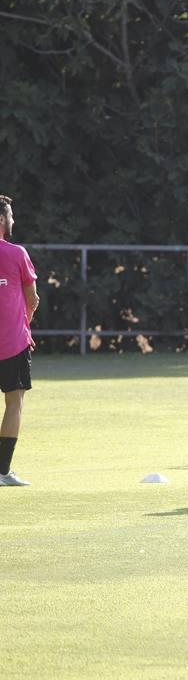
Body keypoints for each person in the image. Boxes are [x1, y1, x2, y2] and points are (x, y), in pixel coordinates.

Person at [0, 195, 39, 487]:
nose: (13, 221)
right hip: (13, 343)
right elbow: (32, 298)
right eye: (11, 216)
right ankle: (2, 473)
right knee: (14, 404)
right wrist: (24, 325)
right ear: (2, 220)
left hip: (14, 339)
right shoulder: (16, 253)